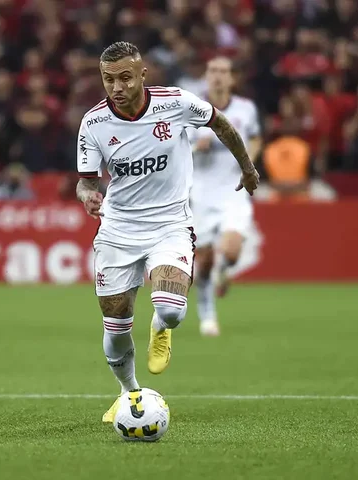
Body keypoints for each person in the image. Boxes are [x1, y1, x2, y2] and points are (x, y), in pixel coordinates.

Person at [75, 42, 259, 424]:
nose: (117, 87)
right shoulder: (93, 123)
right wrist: (88, 196)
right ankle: (129, 393)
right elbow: (85, 181)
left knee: (171, 310)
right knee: (116, 322)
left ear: (143, 75)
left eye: (125, 78)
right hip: (118, 229)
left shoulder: (175, 102)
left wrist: (247, 167)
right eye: (108, 79)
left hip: (170, 223)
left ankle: (161, 326)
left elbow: (221, 123)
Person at [190, 56, 262, 337]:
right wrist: (196, 145)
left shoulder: (245, 109)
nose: (218, 76)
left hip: (234, 191)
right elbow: (175, 145)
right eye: (212, 70)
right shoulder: (191, 109)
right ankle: (207, 314)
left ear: (232, 78)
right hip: (200, 194)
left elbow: (255, 138)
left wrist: (248, 164)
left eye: (223, 71)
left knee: (231, 252)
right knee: (204, 260)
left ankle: (224, 271)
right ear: (206, 76)